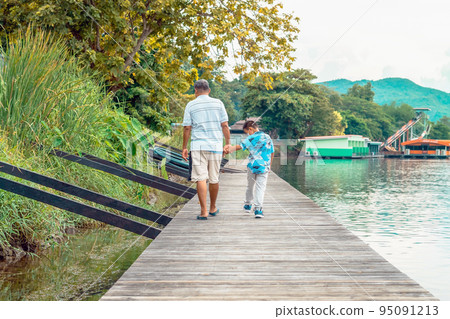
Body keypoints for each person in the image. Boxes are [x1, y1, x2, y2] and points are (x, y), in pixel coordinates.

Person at [182, 79, 231, 220]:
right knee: (214, 178)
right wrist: (227, 143)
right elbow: (225, 125)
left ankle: (203, 212)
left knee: (200, 178)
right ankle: (213, 208)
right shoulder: (218, 103)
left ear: (195, 91)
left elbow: (187, 128)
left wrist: (184, 147)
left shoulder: (191, 104)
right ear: (209, 90)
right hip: (215, 146)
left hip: (198, 147)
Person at [224, 120, 274, 218]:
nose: (247, 134)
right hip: (264, 167)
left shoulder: (251, 138)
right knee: (260, 187)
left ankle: (247, 205)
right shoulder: (268, 137)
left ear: (250, 129)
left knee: (250, 186)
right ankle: (258, 210)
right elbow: (272, 152)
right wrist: (270, 165)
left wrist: (227, 149)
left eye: (247, 132)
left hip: (252, 166)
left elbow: (239, 147)